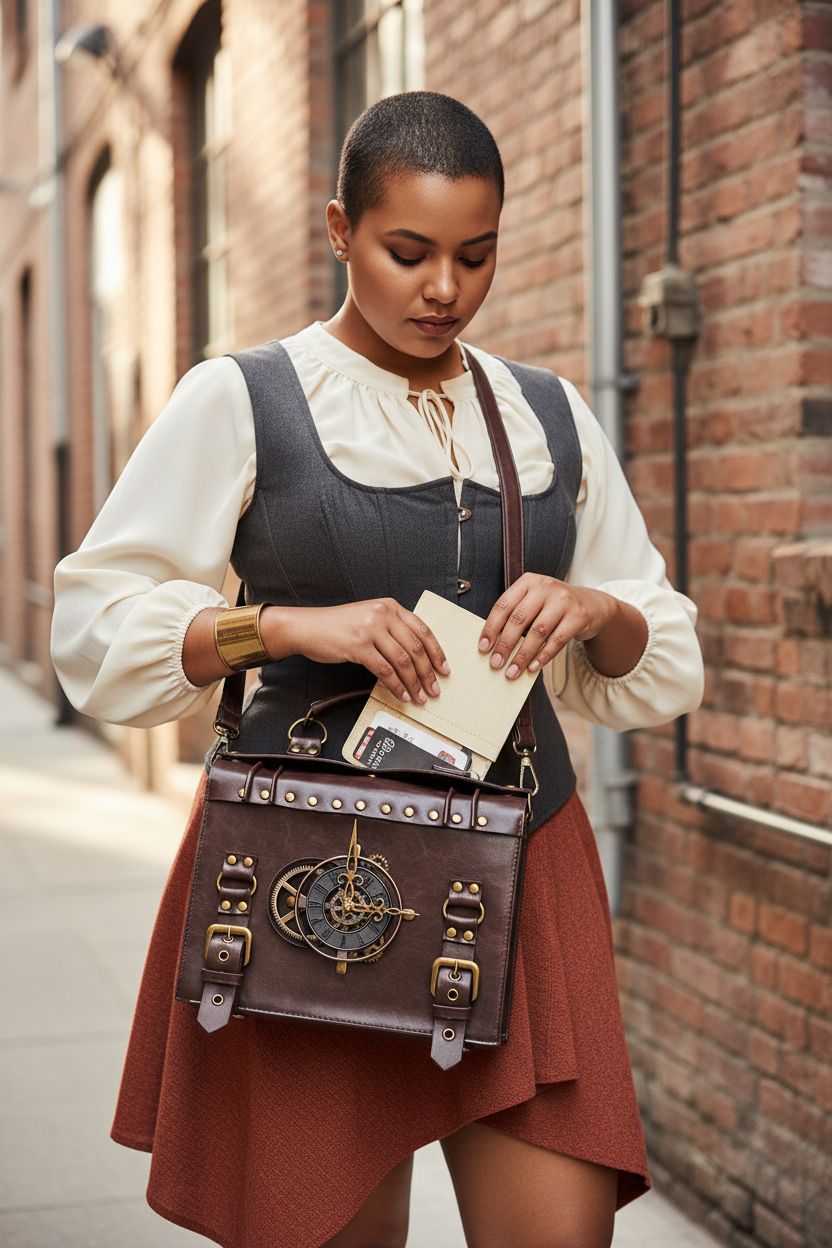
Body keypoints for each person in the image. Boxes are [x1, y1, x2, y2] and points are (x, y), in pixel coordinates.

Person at [51, 90, 704, 1248]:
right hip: (313, 871)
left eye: (474, 255)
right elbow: (97, 629)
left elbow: (656, 647)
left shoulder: (545, 413)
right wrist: (285, 628)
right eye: (407, 252)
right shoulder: (242, 399)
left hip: (522, 862)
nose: (443, 288)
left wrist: (593, 605)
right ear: (340, 229)